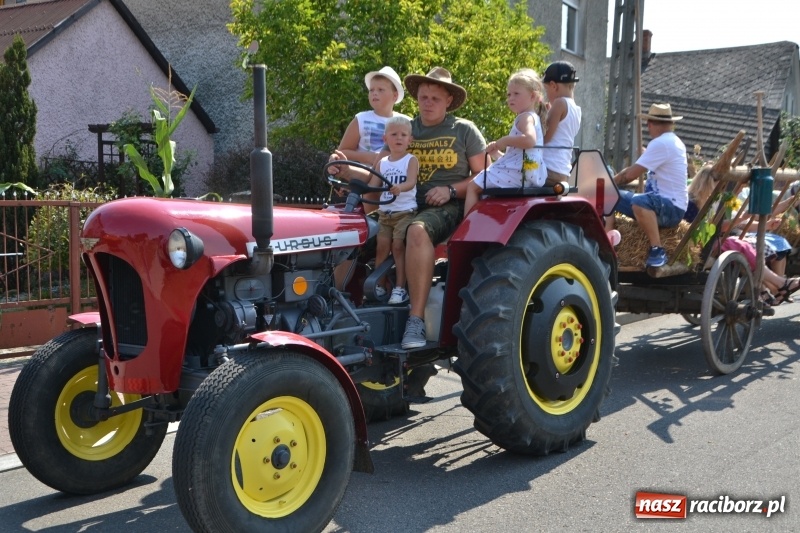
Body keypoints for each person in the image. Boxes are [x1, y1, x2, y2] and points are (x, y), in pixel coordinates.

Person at [330, 67, 486, 353]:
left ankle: (416, 319)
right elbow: (379, 170)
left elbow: (485, 174)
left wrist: (451, 190)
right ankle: (334, 305)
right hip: (399, 205)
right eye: (423, 97)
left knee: (417, 230)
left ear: (448, 100)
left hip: (445, 206)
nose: (427, 103)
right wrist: (346, 169)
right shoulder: (404, 129)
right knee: (349, 231)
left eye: (434, 98)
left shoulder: (463, 130)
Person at [685, 166, 800, 304]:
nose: (724, 188)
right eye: (719, 184)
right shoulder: (694, 203)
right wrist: (742, 217)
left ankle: (775, 286)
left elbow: (718, 226)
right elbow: (715, 227)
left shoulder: (707, 201)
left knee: (743, 245)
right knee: (741, 245)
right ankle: (780, 284)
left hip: (707, 242)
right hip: (699, 245)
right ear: (709, 183)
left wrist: (762, 222)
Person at [608, 103, 688, 268]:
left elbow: (630, 175)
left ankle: (657, 249)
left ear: (651, 123)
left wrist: (607, 181)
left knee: (638, 202)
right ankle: (608, 243)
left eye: (648, 124)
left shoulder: (662, 143)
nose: (647, 128)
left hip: (670, 207)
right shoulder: (672, 141)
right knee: (609, 195)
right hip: (664, 203)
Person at [464, 68, 547, 214]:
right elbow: (516, 158)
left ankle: (467, 228)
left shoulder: (525, 117)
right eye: (509, 94)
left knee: (473, 187)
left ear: (533, 96)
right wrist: (497, 153)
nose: (511, 98)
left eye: (516, 94)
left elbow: (529, 140)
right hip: (529, 170)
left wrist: (505, 140)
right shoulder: (532, 117)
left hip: (521, 172)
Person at [369, 116, 419, 304]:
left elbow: (411, 181)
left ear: (409, 140)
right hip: (385, 213)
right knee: (381, 248)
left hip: (404, 212)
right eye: (394, 134)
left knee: (398, 247)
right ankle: (379, 285)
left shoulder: (410, 160)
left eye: (403, 135)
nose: (399, 138)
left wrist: (401, 188)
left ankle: (400, 288)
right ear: (385, 139)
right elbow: (374, 185)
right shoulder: (383, 163)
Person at [337, 66, 408, 166]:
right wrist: (368, 157)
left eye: (380, 90)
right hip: (364, 177)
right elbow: (341, 152)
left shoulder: (407, 122)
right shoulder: (361, 119)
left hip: (396, 178)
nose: (374, 93)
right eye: (371, 90)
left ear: (395, 96)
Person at [542, 60, 582, 186]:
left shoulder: (559, 103)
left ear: (554, 86)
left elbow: (545, 138)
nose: (546, 95)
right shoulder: (576, 109)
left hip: (548, 168)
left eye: (546, 89)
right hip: (563, 170)